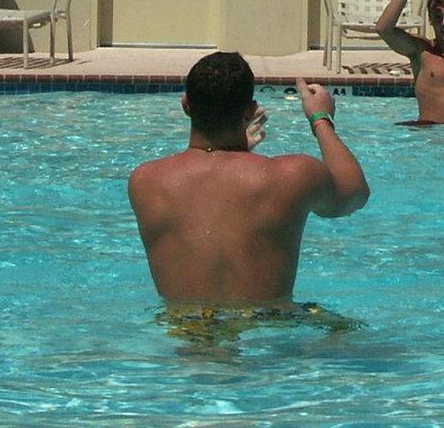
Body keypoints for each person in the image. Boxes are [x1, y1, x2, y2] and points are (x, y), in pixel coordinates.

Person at [128, 52, 370, 311]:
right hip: (270, 328)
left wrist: (238, 152)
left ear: (186, 105)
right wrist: (321, 119)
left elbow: (214, 201)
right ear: (251, 110)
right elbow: (355, 193)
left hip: (185, 332)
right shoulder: (291, 175)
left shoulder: (145, 181)